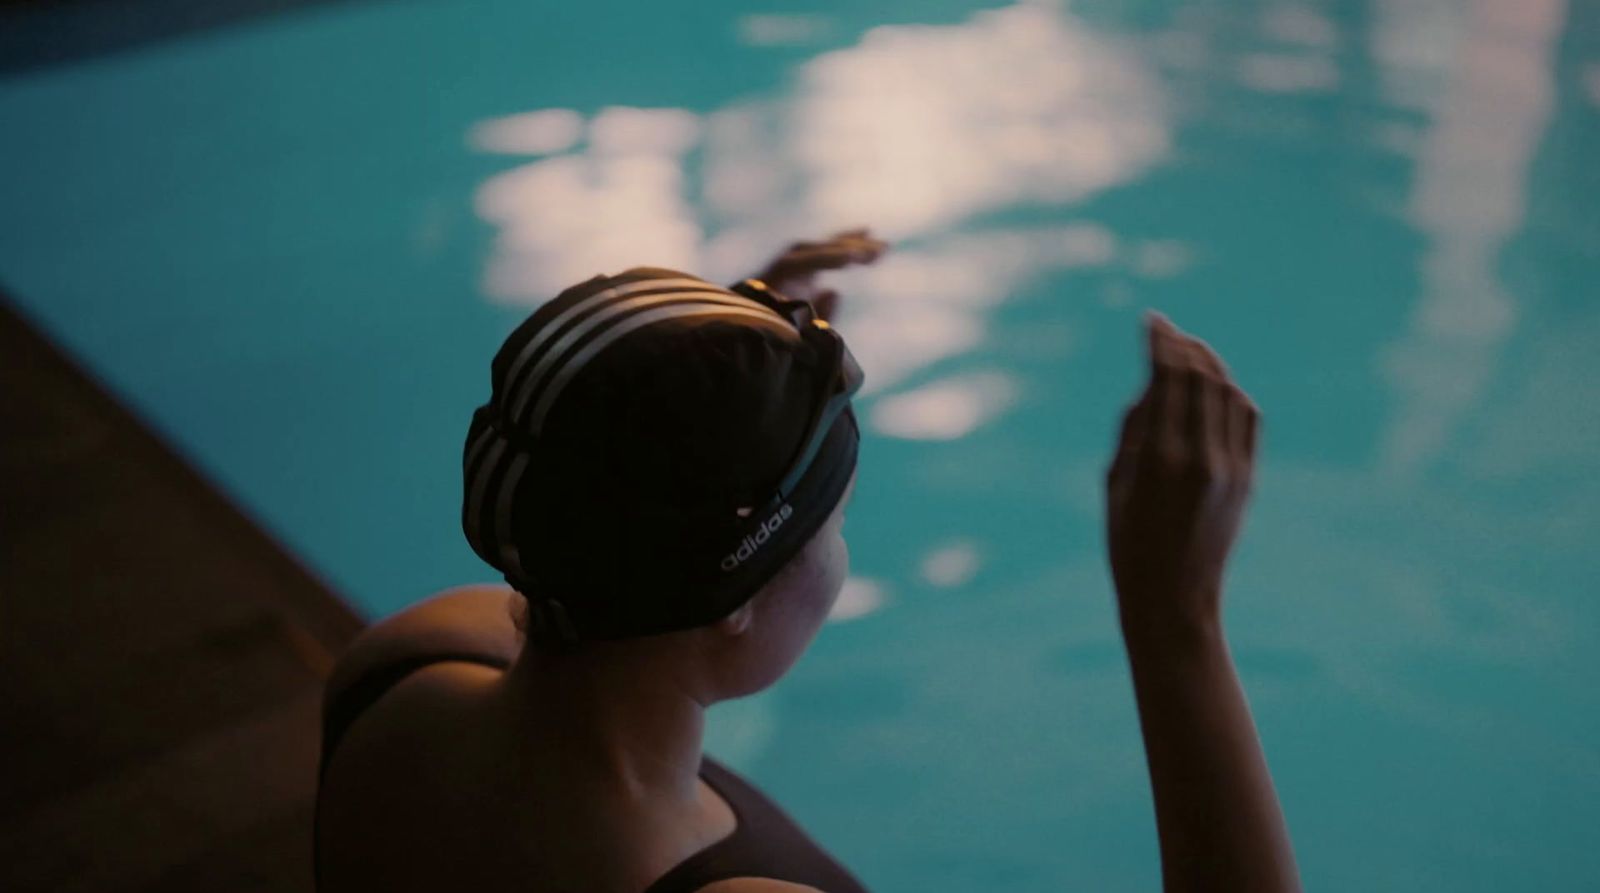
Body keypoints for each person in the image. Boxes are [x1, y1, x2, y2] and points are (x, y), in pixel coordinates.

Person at [312, 228, 1302, 893]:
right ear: (733, 595)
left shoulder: (409, 665)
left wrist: (727, 360)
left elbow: (611, 481)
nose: (839, 549)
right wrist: (1177, 618)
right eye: (834, 518)